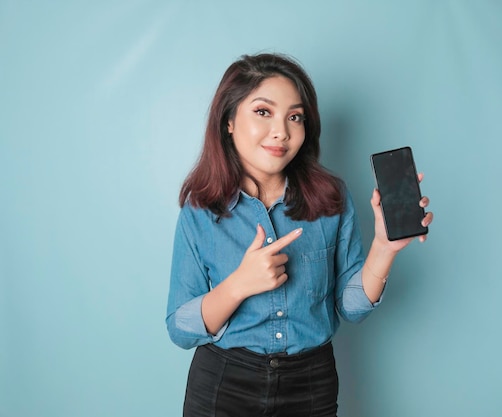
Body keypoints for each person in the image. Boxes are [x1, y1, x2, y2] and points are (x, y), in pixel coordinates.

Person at [166, 52, 433, 417]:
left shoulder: (331, 198)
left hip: (311, 384)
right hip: (224, 384)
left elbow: (351, 308)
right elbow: (181, 329)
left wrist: (383, 249)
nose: (282, 131)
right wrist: (239, 284)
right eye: (263, 112)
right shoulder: (201, 209)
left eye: (295, 117)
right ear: (229, 120)